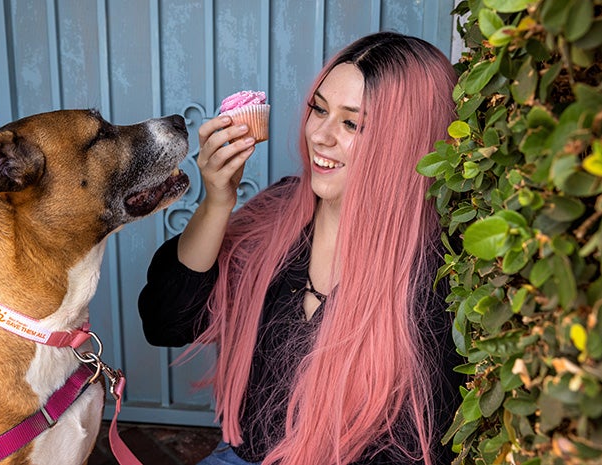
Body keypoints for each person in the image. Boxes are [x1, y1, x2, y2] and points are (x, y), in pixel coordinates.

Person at [138, 31, 463, 465]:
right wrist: (217, 202)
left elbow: (413, 451)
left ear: (405, 141)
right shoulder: (279, 213)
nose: (320, 136)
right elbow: (165, 323)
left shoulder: (435, 272)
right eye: (319, 109)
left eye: (352, 123)